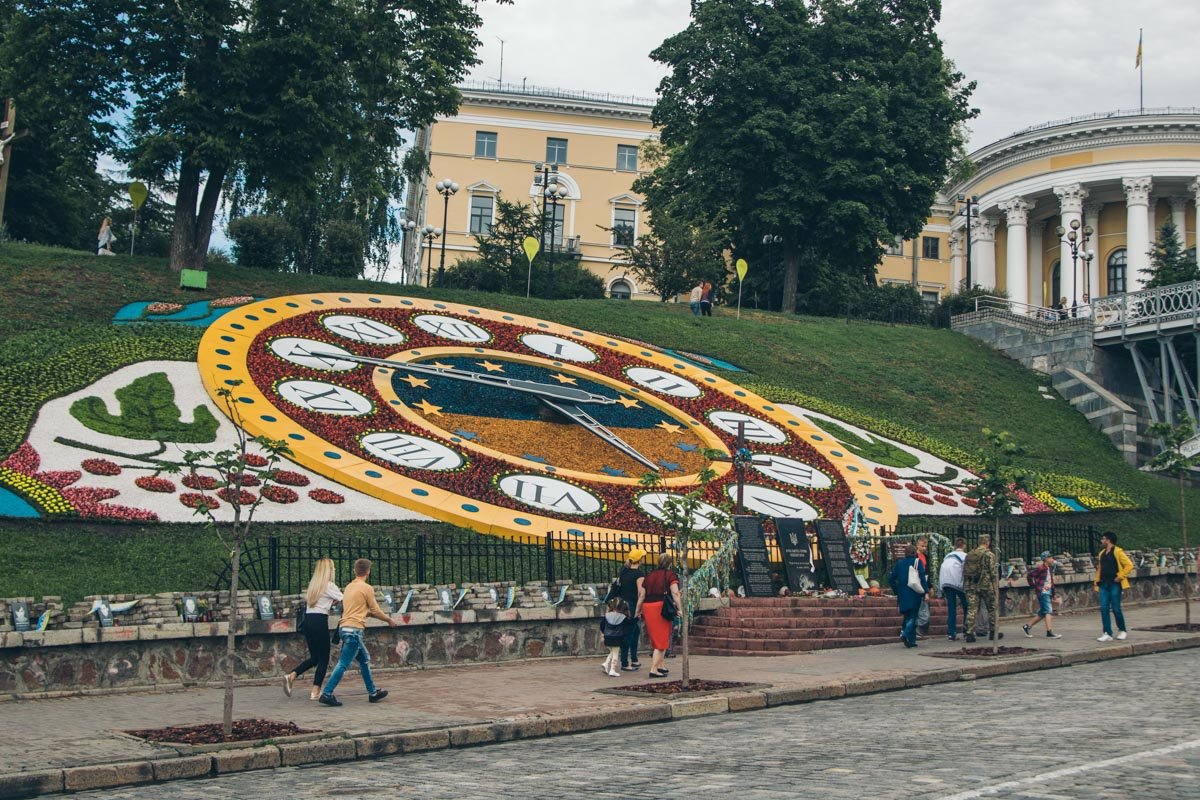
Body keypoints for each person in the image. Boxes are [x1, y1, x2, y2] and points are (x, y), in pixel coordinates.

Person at [319, 558, 396, 706]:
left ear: (355, 571)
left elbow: (359, 611)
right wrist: (388, 620)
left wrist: (370, 614)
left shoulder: (348, 587)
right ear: (368, 571)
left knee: (364, 659)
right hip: (354, 631)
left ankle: (373, 692)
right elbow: (375, 610)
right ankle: (327, 693)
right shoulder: (366, 588)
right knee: (343, 663)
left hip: (344, 628)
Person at [285, 557, 343, 700]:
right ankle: (316, 690)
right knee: (324, 658)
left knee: (315, 657)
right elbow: (345, 598)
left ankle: (292, 675)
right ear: (329, 570)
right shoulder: (329, 586)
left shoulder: (313, 585)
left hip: (308, 621)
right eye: (332, 568)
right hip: (319, 621)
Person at [638, 553, 681, 678]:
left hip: (648, 607)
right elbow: (675, 593)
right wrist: (680, 608)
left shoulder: (650, 575)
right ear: (669, 563)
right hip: (661, 607)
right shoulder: (670, 575)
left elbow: (642, 595)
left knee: (657, 637)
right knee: (661, 640)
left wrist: (637, 610)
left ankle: (661, 665)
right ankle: (654, 669)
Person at [1094, 531, 1134, 642]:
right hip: (1103, 583)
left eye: (1103, 539)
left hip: (1115, 584)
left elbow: (1129, 565)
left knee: (1116, 608)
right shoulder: (1102, 553)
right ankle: (1107, 632)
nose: (1101, 541)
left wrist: (1120, 576)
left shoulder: (1118, 552)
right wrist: (1096, 582)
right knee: (1104, 608)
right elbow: (1100, 568)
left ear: (1108, 540)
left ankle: (1122, 630)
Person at [963, 534, 1003, 643]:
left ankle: (969, 633)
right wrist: (996, 588)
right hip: (985, 586)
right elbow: (993, 573)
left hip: (971, 585)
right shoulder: (989, 555)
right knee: (992, 608)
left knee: (972, 609)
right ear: (987, 542)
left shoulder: (970, 554)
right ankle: (993, 632)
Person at [888, 544, 927, 648]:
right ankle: (905, 634)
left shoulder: (899, 564)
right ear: (915, 553)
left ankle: (911, 640)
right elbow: (922, 578)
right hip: (914, 592)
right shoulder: (917, 562)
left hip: (902, 593)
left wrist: (896, 590)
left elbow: (891, 579)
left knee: (907, 615)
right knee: (913, 615)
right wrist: (925, 592)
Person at [1021, 551, 1063, 639]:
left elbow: (1050, 582)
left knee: (1043, 613)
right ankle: (1049, 632)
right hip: (1042, 592)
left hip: (1047, 592)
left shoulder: (1048, 569)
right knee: (1048, 611)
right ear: (1046, 559)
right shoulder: (1041, 568)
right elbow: (1030, 575)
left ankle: (1027, 626)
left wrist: (1053, 594)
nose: (1052, 559)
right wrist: (1034, 586)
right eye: (1051, 558)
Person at [617, 548, 646, 671]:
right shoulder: (638, 574)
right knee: (628, 634)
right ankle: (625, 662)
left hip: (622, 606)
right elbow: (641, 592)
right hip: (632, 606)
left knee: (635, 631)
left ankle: (634, 659)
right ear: (639, 560)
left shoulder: (624, 571)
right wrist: (639, 609)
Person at [938, 537, 968, 641]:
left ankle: (951, 633)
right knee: (966, 606)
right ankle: (966, 630)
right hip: (957, 582)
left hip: (945, 581)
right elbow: (966, 570)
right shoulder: (965, 556)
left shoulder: (948, 555)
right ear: (964, 545)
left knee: (951, 608)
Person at [599, 598, 630, 677]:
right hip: (617, 637)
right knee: (616, 653)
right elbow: (626, 629)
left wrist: (604, 633)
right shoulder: (623, 617)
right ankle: (612, 669)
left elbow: (602, 626)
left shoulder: (607, 615)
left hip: (607, 636)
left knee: (612, 651)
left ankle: (606, 664)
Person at [915, 536, 931, 636]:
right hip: (917, 582)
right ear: (917, 545)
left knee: (924, 605)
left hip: (924, 581)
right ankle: (919, 626)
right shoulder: (915, 556)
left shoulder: (925, 556)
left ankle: (920, 627)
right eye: (922, 546)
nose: (924, 548)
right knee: (921, 606)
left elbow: (928, 571)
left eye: (925, 546)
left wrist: (930, 586)